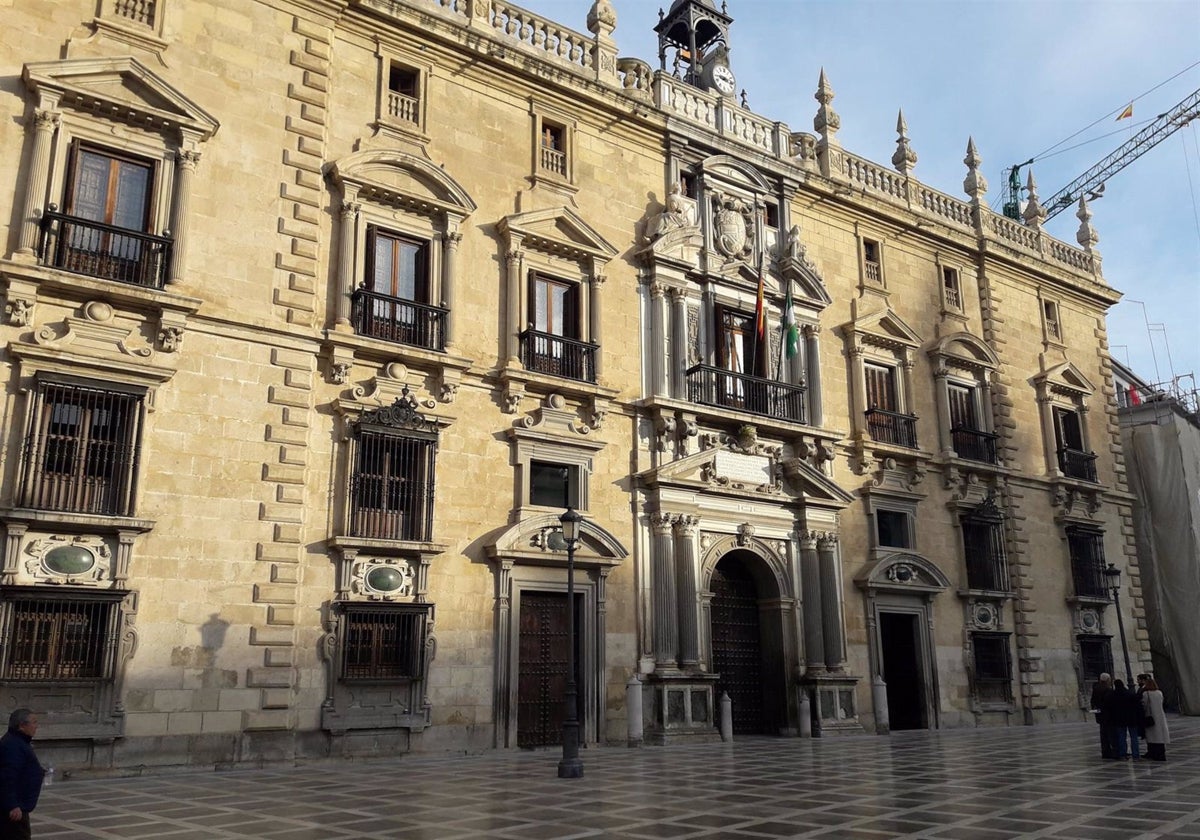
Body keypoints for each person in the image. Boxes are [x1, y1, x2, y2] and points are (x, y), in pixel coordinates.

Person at [0, 709, 44, 840]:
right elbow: (7, 777)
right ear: (21, 726)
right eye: (34, 722)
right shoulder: (13, 745)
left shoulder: (19, 742)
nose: (36, 726)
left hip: (19, 804)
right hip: (14, 808)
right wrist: (12, 804)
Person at [1104, 679, 1140, 760]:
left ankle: (1122, 754)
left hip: (1119, 719)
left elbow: (1108, 707)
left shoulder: (1112, 695)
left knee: (1121, 737)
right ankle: (1136, 755)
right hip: (1131, 718)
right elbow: (1136, 705)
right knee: (1134, 737)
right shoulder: (1129, 694)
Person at [1142, 676, 1170, 761]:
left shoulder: (1146, 694)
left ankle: (1153, 753)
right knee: (1160, 736)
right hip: (1160, 716)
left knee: (1152, 736)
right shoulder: (1159, 693)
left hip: (1151, 717)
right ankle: (1161, 753)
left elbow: (1144, 705)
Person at [1089, 673, 1115, 758]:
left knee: (1103, 733)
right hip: (1108, 714)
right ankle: (1111, 751)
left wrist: (1096, 711)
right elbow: (1110, 703)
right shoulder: (1108, 690)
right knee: (1110, 733)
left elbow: (1092, 701)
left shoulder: (1096, 689)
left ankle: (1105, 751)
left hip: (1100, 714)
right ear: (1107, 680)